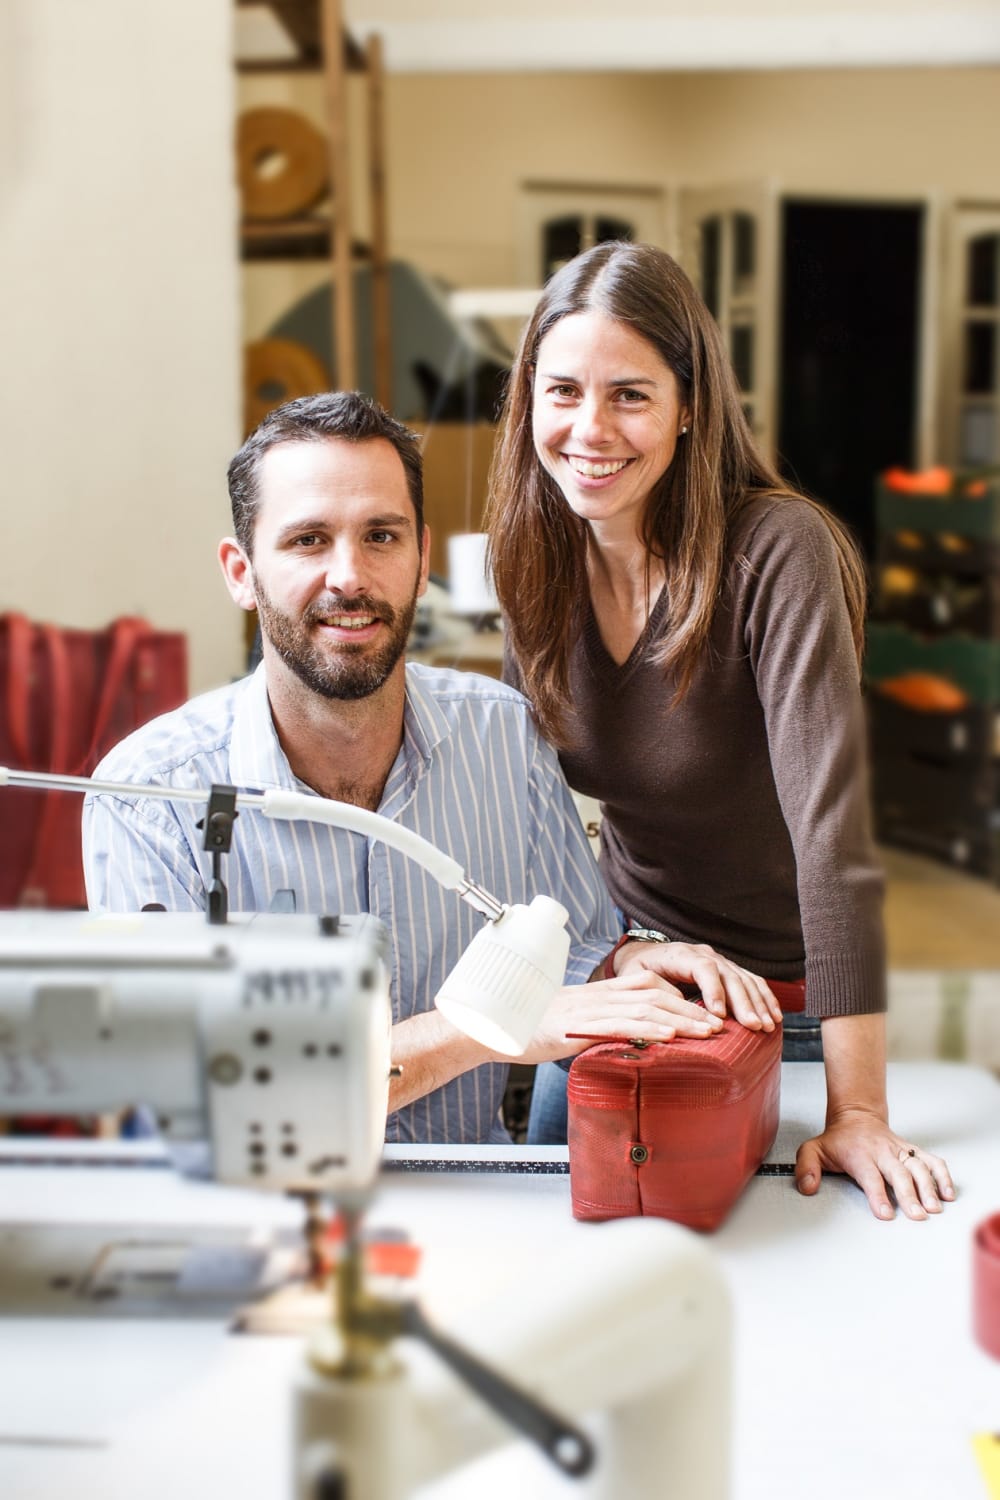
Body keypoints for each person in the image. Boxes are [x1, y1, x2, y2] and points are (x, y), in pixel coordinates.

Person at [83, 390, 775, 1145]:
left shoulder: (503, 738)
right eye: (308, 540)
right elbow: (198, 1094)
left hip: (480, 1217)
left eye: (382, 536)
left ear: (421, 564)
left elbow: (575, 958)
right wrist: (486, 1027)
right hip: (249, 1230)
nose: (349, 577)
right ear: (240, 572)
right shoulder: (146, 796)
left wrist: (642, 963)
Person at [486, 240, 954, 1221]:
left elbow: (832, 836)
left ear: (690, 405)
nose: (588, 428)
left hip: (780, 997)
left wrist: (858, 1106)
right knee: (552, 1224)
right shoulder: (530, 564)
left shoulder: (777, 554)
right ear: (529, 396)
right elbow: (523, 819)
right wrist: (577, 976)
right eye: (563, 390)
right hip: (628, 974)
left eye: (630, 395)